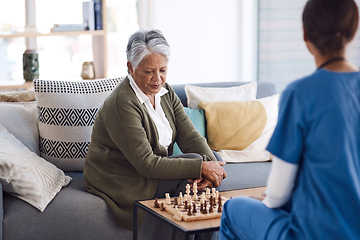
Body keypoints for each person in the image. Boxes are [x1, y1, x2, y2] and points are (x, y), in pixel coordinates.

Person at [220, 0, 360, 239]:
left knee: (232, 210)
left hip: (309, 233)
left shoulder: (301, 93)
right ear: (353, 30)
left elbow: (278, 194)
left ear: (305, 33)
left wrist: (271, 199)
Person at [84, 29, 226, 237]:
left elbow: (190, 137)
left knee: (211, 162)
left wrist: (211, 165)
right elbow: (146, 164)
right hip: (123, 178)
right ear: (131, 68)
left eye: (163, 70)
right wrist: (201, 166)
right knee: (196, 166)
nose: (157, 79)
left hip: (150, 170)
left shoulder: (165, 93)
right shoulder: (122, 103)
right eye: (149, 71)